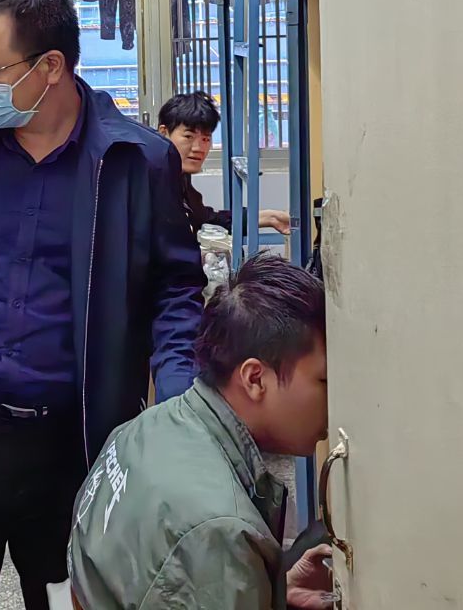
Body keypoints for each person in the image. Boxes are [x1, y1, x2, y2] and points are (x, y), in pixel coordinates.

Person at [0, 0, 206, 610]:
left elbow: (175, 291)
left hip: (79, 442)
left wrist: (177, 406)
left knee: (65, 597)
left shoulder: (137, 161)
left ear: (51, 66)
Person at [67, 254, 332, 610]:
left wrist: (268, 591)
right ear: (255, 379)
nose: (335, 399)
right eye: (323, 380)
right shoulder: (219, 530)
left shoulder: (144, 428)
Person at [157, 91, 292, 237]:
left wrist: (271, 218)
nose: (198, 148)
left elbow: (205, 219)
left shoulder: (180, 175)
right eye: (188, 136)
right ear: (163, 133)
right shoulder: (151, 180)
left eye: (205, 139)